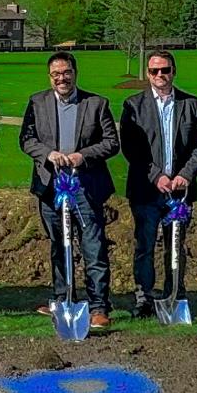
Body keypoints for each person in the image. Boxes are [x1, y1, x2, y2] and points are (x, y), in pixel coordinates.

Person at [19, 50, 120, 326]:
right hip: (50, 187)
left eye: (66, 73)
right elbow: (26, 139)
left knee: (93, 246)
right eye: (55, 74)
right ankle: (63, 300)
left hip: (85, 187)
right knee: (58, 245)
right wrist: (47, 154)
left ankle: (98, 306)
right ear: (49, 77)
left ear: (75, 73)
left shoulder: (96, 104)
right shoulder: (37, 103)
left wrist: (82, 156)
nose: (61, 78)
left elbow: (112, 142)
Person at [118, 51, 197, 317]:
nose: (160, 75)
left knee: (176, 245)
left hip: (180, 192)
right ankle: (143, 298)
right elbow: (131, 148)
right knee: (145, 245)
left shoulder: (191, 104)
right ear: (148, 73)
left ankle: (174, 295)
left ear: (174, 71)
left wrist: (186, 174)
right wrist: (156, 175)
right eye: (154, 71)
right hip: (147, 191)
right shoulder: (133, 106)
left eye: (165, 70)